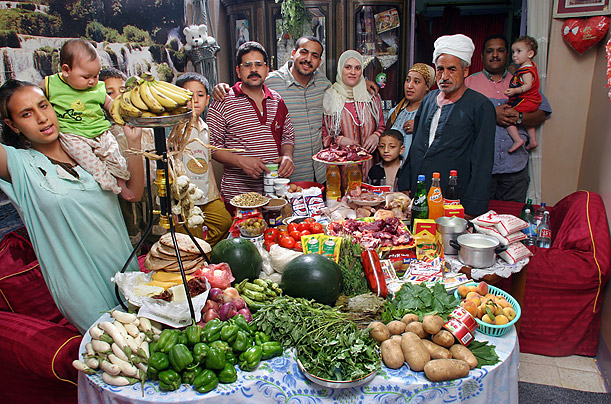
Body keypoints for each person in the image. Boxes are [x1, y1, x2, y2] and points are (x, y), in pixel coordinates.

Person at [0, 80, 144, 334]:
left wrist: (134, 143)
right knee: (116, 358)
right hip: (82, 289)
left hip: (126, 273)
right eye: (26, 114)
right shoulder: (19, 165)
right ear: (12, 125)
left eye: (43, 106)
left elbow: (134, 193)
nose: (42, 118)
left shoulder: (86, 148)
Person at [212, 36, 379, 183]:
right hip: (287, 175)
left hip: (321, 172)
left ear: (319, 62)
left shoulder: (324, 85)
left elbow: (344, 85)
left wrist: (364, 83)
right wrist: (222, 88)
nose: (308, 59)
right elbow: (248, 82)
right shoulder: (271, 82)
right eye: (304, 52)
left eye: (314, 56)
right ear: (293, 53)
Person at [397, 34, 496, 218]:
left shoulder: (480, 106)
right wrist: (406, 186)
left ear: (466, 71)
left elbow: (483, 162)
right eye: (440, 69)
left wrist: (472, 209)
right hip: (421, 191)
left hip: (454, 199)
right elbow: (417, 147)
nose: (445, 76)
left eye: (452, 69)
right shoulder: (428, 99)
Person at [41, 39, 133, 200]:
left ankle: (121, 182)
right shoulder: (50, 84)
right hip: (73, 134)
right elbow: (34, 97)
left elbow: (109, 104)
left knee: (115, 156)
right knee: (92, 163)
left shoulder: (96, 87)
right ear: (66, 70)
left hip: (100, 131)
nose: (92, 81)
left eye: (96, 75)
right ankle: (108, 184)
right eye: (86, 77)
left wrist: (123, 114)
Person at [465, 34, 551, 202]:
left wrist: (519, 117)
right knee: (477, 222)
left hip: (515, 170)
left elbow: (542, 112)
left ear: (508, 55)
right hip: (481, 169)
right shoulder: (469, 83)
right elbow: (457, 120)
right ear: (482, 56)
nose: (495, 55)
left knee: (512, 221)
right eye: (490, 51)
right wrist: (491, 115)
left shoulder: (522, 82)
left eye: (500, 50)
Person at [207, 41, 295, 202]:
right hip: (238, 196)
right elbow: (211, 147)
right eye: (247, 65)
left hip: (274, 193)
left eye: (258, 64)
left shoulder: (277, 100)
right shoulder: (222, 101)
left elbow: (287, 136)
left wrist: (287, 156)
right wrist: (241, 161)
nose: (254, 70)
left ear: (267, 70)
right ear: (238, 71)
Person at [99, 67, 160, 248]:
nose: (117, 97)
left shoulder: (145, 126)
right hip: (127, 196)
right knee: (133, 237)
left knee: (156, 236)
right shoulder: (105, 134)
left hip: (153, 190)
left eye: (123, 90)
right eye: (110, 93)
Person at [175, 72, 231, 247]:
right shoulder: (177, 129)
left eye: (200, 95)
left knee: (225, 222)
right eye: (189, 96)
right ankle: (199, 257)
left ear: (207, 100)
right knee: (193, 235)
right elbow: (173, 165)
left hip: (207, 194)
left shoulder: (206, 127)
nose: (195, 100)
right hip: (186, 198)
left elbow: (207, 163)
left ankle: (207, 251)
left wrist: (215, 191)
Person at [322, 49, 385, 177]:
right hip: (341, 169)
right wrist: (339, 140)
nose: (353, 72)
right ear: (341, 69)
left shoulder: (371, 97)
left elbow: (382, 126)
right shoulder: (330, 96)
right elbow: (324, 134)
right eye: (348, 67)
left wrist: (376, 136)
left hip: (370, 166)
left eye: (357, 68)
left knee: (369, 195)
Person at [386, 62, 435, 159]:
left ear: (427, 86)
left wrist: (420, 125)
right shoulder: (395, 112)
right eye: (408, 80)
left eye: (416, 82)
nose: (409, 85)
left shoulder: (431, 114)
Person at [504, 35, 542, 152]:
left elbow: (528, 85)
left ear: (530, 54)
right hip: (533, 101)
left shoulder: (526, 71)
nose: (514, 55)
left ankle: (517, 139)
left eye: (519, 51)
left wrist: (515, 91)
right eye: (513, 52)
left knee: (507, 115)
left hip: (525, 100)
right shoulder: (530, 67)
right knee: (528, 122)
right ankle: (533, 140)